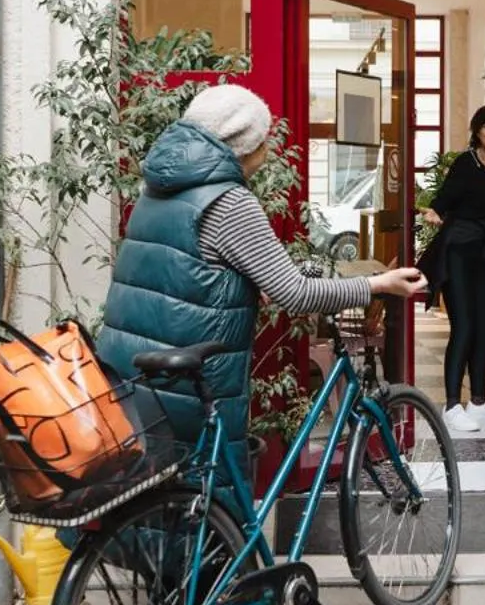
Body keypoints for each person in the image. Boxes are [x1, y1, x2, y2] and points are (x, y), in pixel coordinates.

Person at [96, 83, 426, 463]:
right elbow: (296, 295)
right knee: (206, 497)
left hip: (131, 374)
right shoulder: (229, 200)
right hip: (188, 384)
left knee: (158, 499)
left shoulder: (159, 188)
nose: (269, 151)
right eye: (265, 140)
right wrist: (377, 284)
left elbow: (186, 270)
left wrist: (244, 284)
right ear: (247, 146)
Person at [418, 103, 485, 432]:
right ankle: (452, 404)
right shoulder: (466, 164)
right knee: (464, 326)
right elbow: (442, 201)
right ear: (477, 130)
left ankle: (478, 401)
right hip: (458, 253)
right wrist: (433, 212)